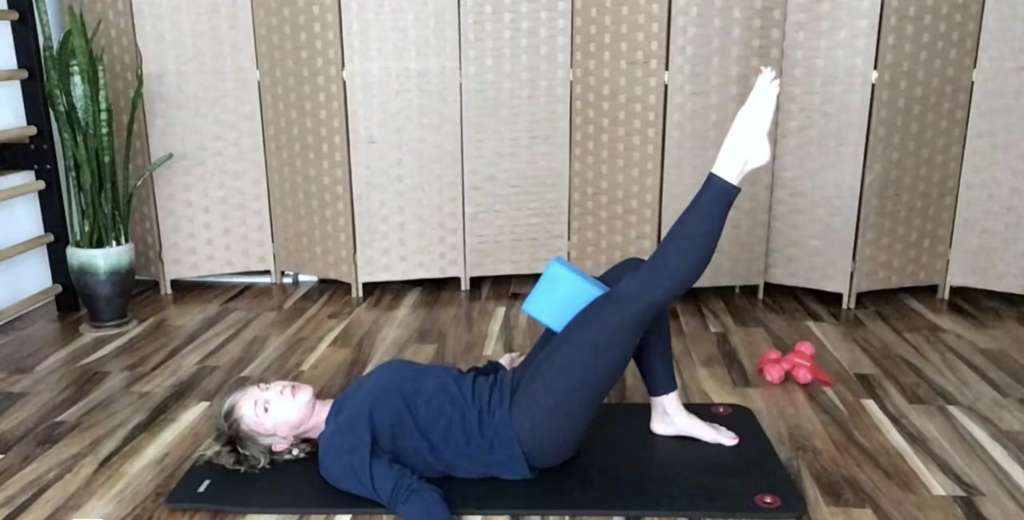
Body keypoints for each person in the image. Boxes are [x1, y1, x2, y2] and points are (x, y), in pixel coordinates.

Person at [200, 66, 782, 520]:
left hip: (511, 388)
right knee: (643, 293)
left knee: (628, 273)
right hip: (525, 431)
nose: (275, 388)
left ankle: (667, 410)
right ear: (278, 444)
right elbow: (415, 498)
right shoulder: (340, 454)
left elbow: (436, 407)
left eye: (266, 385)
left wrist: (495, 366)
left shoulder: (350, 402)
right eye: (266, 404)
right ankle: (733, 162)